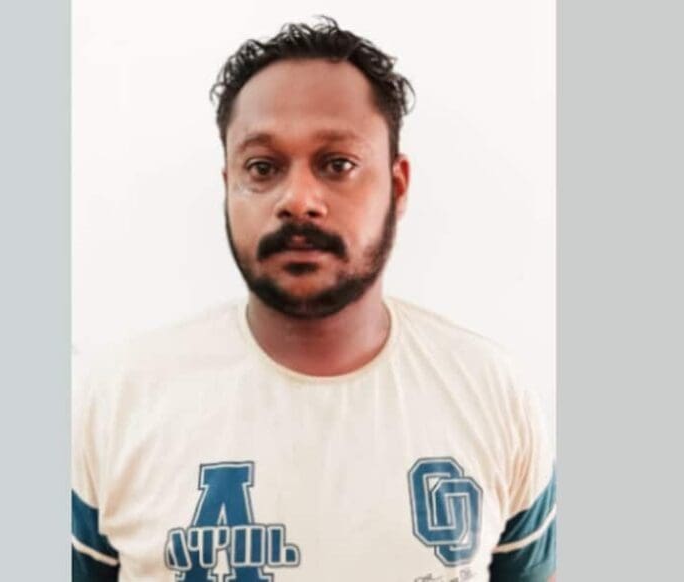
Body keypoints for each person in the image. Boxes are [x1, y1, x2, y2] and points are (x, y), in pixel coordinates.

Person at [72, 17, 555, 582]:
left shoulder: (491, 392)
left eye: (337, 165)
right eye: (262, 168)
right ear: (228, 186)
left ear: (397, 185)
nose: (299, 200)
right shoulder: (118, 400)